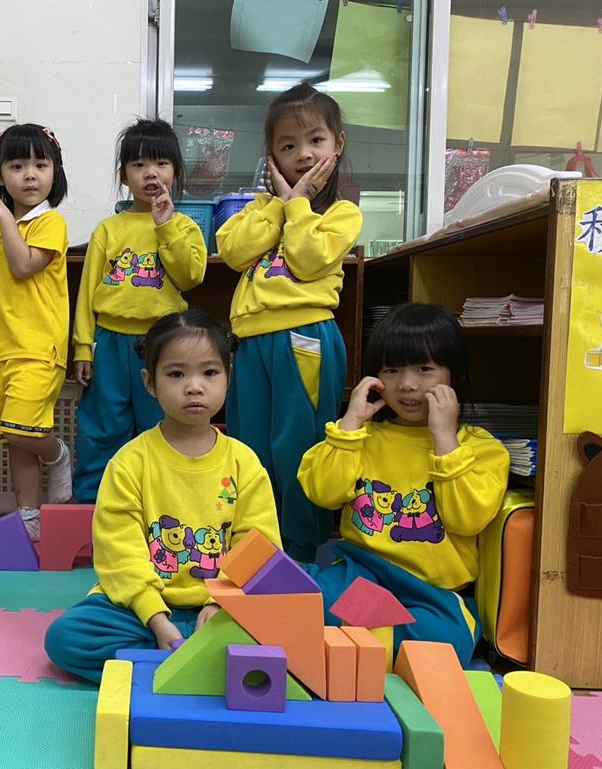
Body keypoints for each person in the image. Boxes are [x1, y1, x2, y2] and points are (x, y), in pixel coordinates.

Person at [45, 310, 282, 682]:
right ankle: (190, 660)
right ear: (150, 383)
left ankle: (165, 664)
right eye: (176, 374)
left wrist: (221, 602)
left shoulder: (244, 463)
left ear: (228, 377)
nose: (194, 387)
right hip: (143, 611)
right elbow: (120, 551)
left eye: (210, 372)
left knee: (298, 625)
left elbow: (258, 545)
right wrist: (156, 617)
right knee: (66, 638)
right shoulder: (129, 462)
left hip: (223, 608)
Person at [297, 303, 509, 666]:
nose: (407, 384)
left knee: (447, 641)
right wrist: (349, 426)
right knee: (301, 599)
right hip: (360, 573)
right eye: (391, 370)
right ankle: (378, 642)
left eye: (424, 369)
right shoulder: (360, 436)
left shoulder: (480, 448)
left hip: (431, 590)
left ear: (454, 375)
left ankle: (358, 640)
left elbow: (467, 520)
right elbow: (322, 493)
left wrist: (445, 440)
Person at [216, 84, 363, 562]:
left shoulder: (341, 213)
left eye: (316, 140)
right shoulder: (263, 209)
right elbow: (233, 251)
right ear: (272, 157)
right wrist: (282, 203)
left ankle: (302, 548)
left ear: (338, 144)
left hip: (305, 338)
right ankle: (257, 542)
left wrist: (299, 204)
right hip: (250, 341)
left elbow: (307, 258)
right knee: (250, 447)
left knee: (298, 446)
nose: (303, 154)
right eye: (288, 146)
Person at [72, 118, 207, 502]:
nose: (151, 173)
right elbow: (86, 293)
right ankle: (93, 502)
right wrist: (83, 347)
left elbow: (190, 277)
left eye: (161, 163)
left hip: (164, 343)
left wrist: (165, 226)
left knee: (161, 422)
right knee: (102, 424)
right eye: (138, 165)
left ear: (175, 172)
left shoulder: (184, 226)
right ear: (124, 175)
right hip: (109, 341)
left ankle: (162, 501)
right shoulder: (108, 229)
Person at [0, 123, 73, 541]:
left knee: (19, 429)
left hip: (38, 347)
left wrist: (4, 216)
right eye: (17, 166)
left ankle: (57, 454)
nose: (30, 175)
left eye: (41, 165)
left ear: (55, 173)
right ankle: (29, 517)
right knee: (15, 441)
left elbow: (24, 265)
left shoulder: (50, 223)